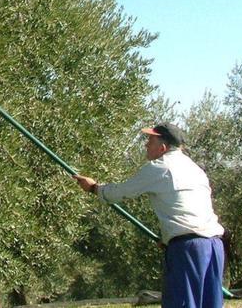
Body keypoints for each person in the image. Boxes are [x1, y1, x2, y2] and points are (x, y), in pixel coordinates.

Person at [73, 123, 225, 308]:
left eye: (150, 140)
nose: (146, 145)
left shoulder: (160, 167)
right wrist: (170, 237)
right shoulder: (195, 169)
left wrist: (94, 188)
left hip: (188, 249)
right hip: (214, 246)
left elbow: (122, 191)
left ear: (163, 147)